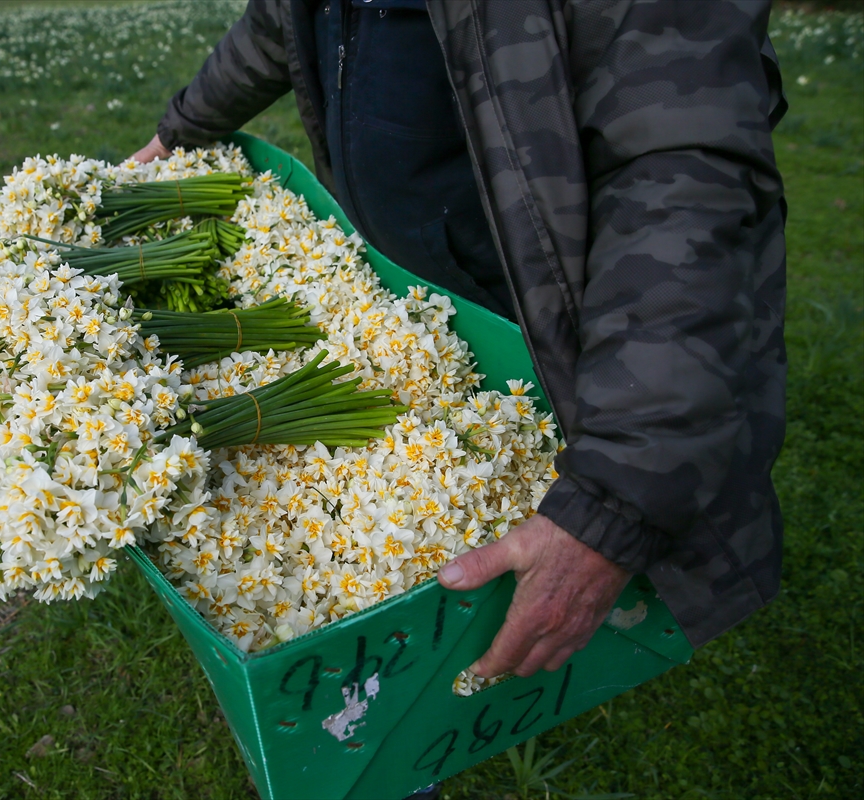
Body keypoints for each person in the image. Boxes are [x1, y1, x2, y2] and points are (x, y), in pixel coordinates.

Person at [134, 1, 786, 790]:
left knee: (461, 587)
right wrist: (184, 128)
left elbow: (682, 172)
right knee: (389, 654)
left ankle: (408, 740)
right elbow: (284, 19)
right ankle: (391, 750)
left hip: (548, 307)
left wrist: (613, 505)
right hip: (408, 302)